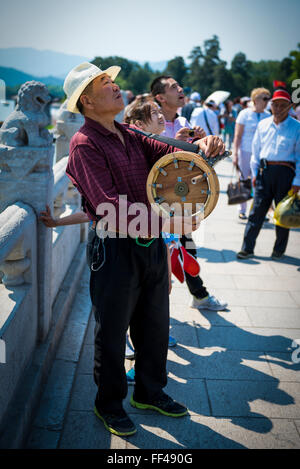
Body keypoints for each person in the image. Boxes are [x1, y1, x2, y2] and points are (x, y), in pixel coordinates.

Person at [62, 61, 225, 437]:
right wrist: (169, 223)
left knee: (154, 325)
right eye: (104, 83)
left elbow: (167, 149)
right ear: (86, 101)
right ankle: (110, 403)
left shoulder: (128, 134)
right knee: (113, 330)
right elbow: (107, 207)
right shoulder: (83, 143)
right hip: (114, 249)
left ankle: (150, 392)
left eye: (112, 81)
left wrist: (200, 145)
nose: (115, 86)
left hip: (150, 246)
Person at [151, 75, 227, 312]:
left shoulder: (185, 119)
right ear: (160, 98)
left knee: (186, 247)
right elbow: (150, 161)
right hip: (157, 202)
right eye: (174, 87)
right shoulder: (151, 121)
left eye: (180, 86)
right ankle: (157, 319)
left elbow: (195, 163)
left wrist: (203, 143)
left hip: (182, 197)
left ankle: (198, 296)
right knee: (162, 257)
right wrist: (176, 142)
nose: (181, 90)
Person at [237, 89, 300, 260]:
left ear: (290, 107)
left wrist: (297, 181)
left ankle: (279, 250)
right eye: (275, 105)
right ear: (271, 106)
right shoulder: (263, 124)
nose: (278, 108)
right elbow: (256, 152)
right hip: (264, 173)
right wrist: (255, 172)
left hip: (286, 173)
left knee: (282, 213)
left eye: (283, 105)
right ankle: (247, 248)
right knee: (257, 211)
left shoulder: (297, 128)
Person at [232, 88, 271, 220]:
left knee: (259, 182)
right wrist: (235, 154)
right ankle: (241, 209)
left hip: (262, 154)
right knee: (244, 180)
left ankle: (258, 211)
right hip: (245, 151)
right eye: (264, 98)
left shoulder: (268, 115)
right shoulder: (244, 114)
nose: (267, 101)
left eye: (268, 98)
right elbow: (237, 136)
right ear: (255, 100)